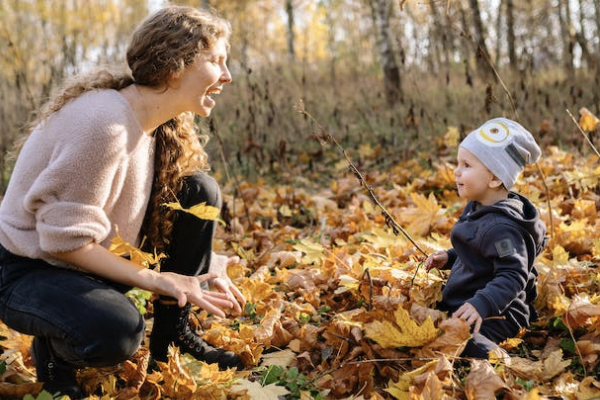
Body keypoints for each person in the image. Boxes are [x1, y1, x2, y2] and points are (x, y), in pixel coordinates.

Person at [0, 5, 245, 399]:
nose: (227, 75)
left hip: (83, 261)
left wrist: (204, 265)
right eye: (216, 61)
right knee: (116, 330)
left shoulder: (154, 123)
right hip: (27, 271)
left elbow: (131, 216)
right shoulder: (105, 124)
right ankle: (54, 360)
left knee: (199, 190)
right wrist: (156, 278)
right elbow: (61, 242)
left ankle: (171, 341)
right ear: (176, 65)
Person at [425, 117, 547, 359]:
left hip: (500, 312)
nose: (456, 171)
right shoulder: (478, 206)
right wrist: (450, 257)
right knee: (437, 327)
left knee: (463, 343)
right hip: (471, 299)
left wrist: (483, 303)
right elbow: (479, 251)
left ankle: (505, 365)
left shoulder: (502, 229)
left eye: (467, 166)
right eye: (458, 163)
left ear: (494, 179)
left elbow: (513, 274)